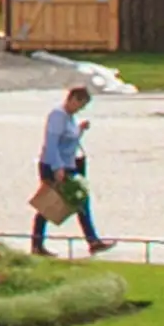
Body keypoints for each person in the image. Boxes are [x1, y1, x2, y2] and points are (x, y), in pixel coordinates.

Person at [33, 85, 108, 256]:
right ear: (73, 99)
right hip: (54, 166)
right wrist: (57, 168)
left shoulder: (69, 117)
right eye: (80, 105)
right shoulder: (58, 115)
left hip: (69, 164)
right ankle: (37, 245)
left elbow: (68, 141)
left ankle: (93, 240)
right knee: (48, 205)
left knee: (81, 200)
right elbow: (51, 143)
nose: (80, 109)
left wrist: (80, 129)